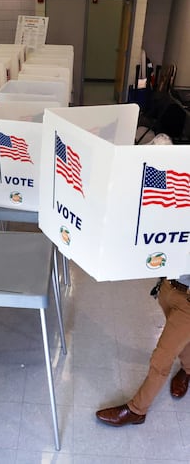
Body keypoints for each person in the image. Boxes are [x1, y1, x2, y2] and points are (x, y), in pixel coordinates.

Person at [96, 136, 190, 427]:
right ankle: (188, 369)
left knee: (161, 358)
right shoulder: (177, 190)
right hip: (169, 287)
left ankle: (137, 410)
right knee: (181, 341)